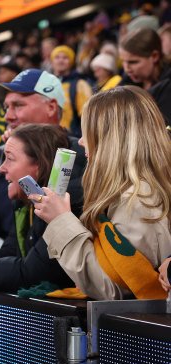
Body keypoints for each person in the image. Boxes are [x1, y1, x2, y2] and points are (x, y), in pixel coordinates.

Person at [36, 86, 171, 300]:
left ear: (110, 139)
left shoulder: (139, 199)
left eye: (87, 133)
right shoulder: (135, 191)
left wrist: (60, 220)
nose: (80, 141)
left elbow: (114, 288)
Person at [0, 69, 87, 254]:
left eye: (18, 105)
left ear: (51, 107)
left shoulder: (83, 157)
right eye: (6, 107)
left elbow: (43, 264)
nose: (8, 116)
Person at [0, 124, 78, 292]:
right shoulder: (24, 205)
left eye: (9, 158)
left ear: (38, 164)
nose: (2, 168)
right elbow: (10, 252)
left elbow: (31, 272)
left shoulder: (67, 205)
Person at [119, 27, 171, 124]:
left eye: (133, 62)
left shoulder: (168, 88)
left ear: (155, 56)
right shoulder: (127, 80)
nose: (127, 69)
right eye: (123, 61)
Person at [50, 45, 92, 137]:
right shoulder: (46, 84)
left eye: (65, 57)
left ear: (71, 62)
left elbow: (88, 114)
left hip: (70, 138)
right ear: (52, 62)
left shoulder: (80, 84)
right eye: (57, 57)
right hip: (48, 136)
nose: (60, 60)